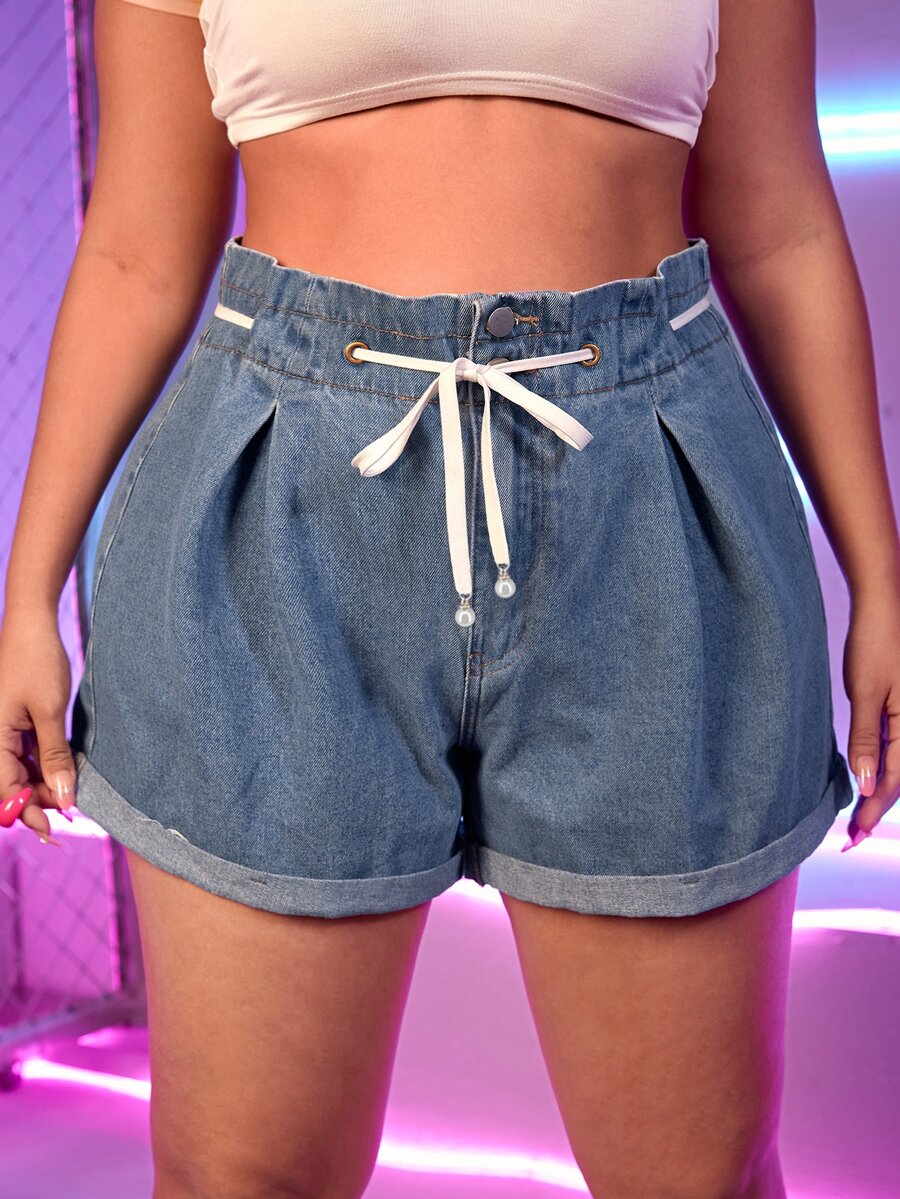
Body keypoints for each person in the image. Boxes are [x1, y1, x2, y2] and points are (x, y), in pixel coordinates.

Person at [1, 0, 897, 1195]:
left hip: (648, 504)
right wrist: (28, 593)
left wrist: (882, 578)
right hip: (281, 511)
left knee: (698, 1178)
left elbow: (779, 225)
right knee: (241, 1176)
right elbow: (136, 252)